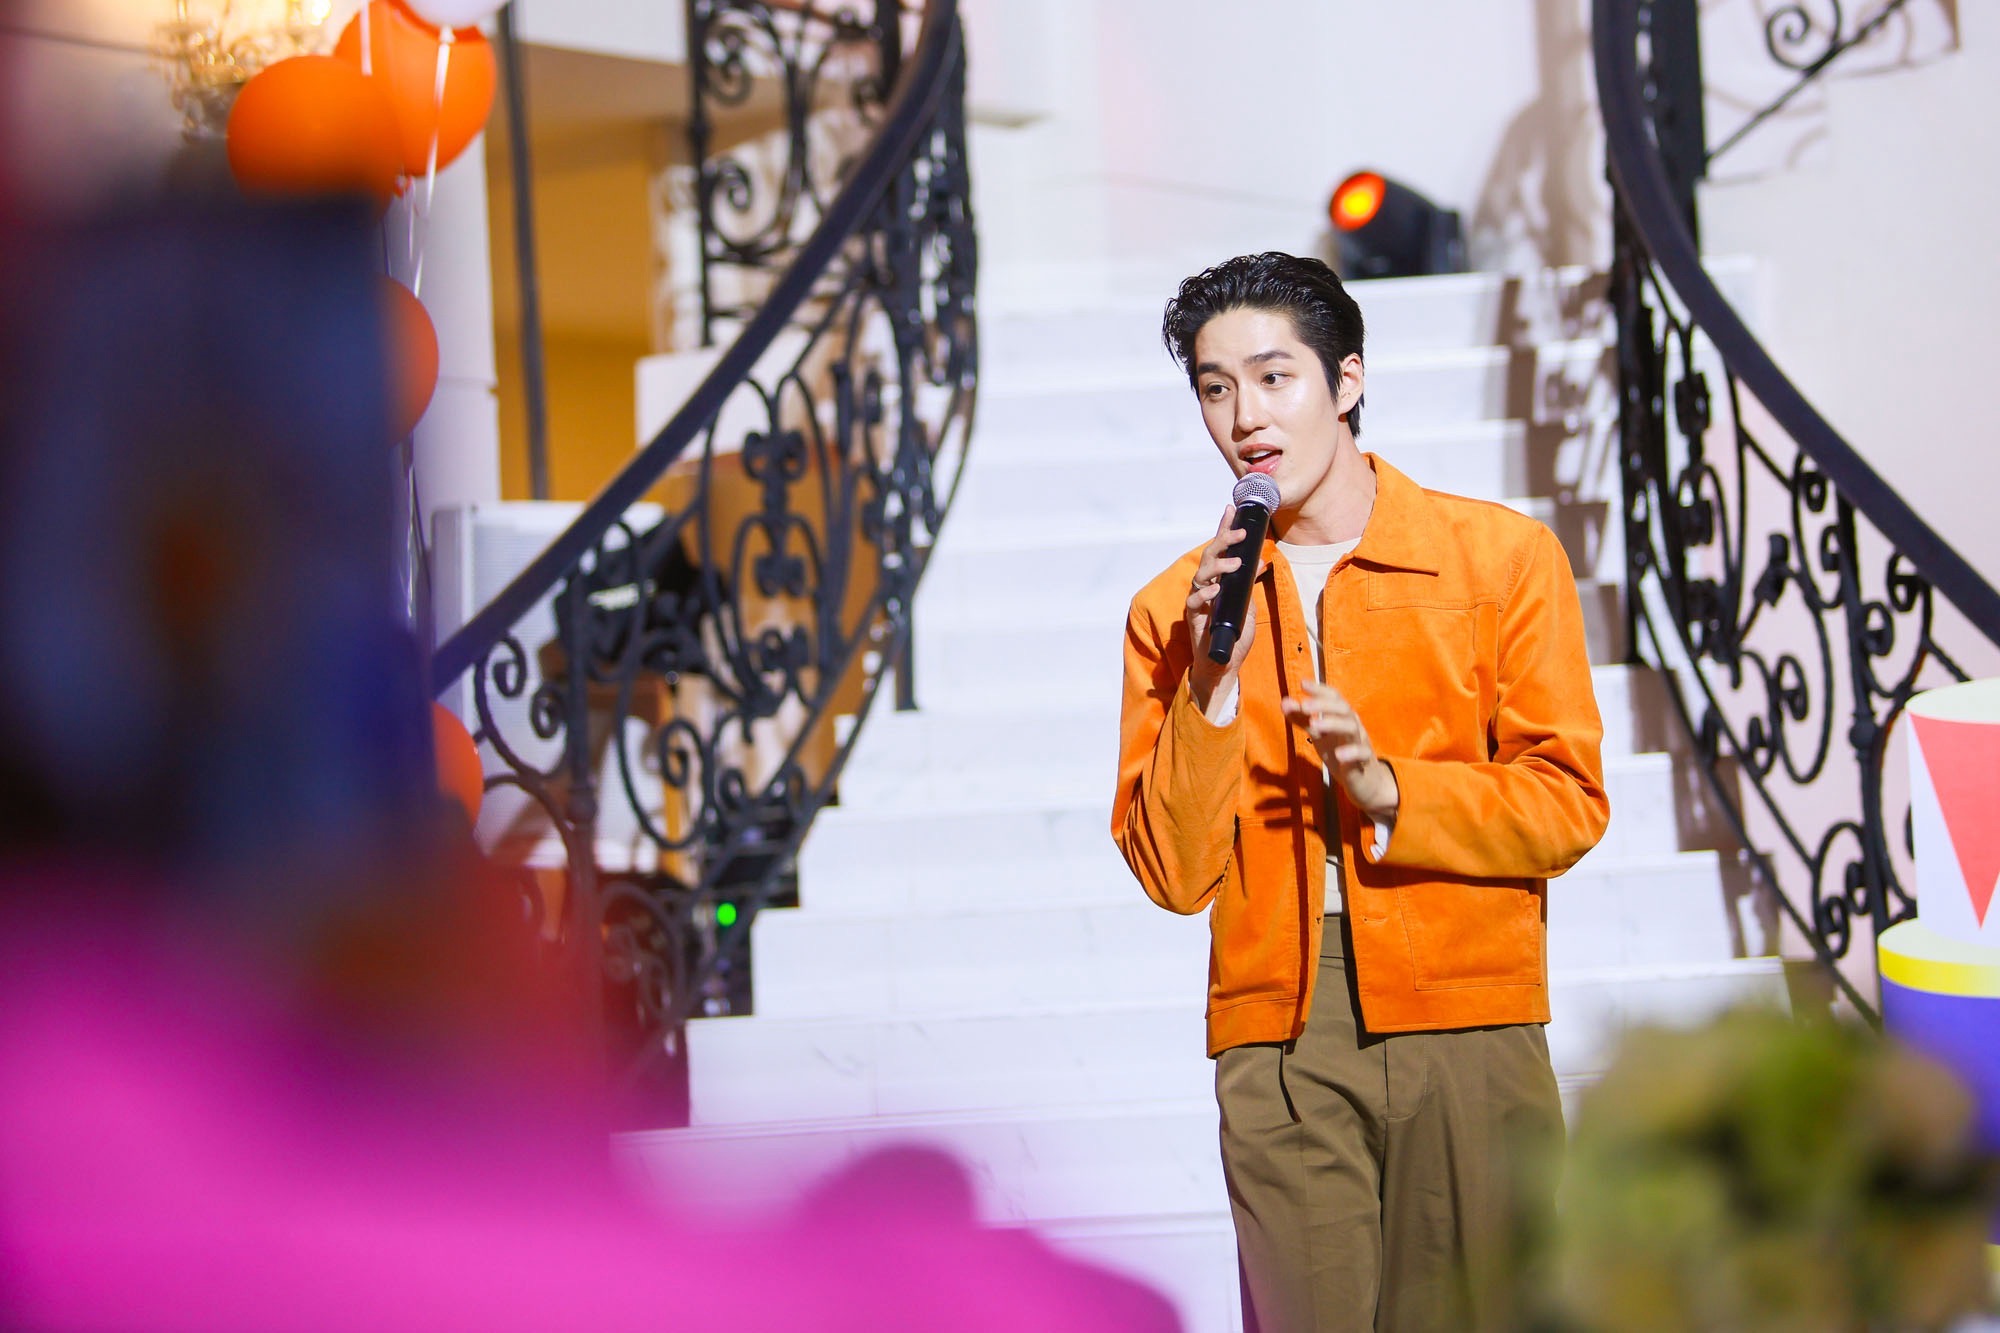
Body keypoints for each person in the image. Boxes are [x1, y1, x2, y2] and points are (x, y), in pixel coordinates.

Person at [1111, 251, 1610, 1332]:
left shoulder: (1497, 559)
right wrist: (1209, 684)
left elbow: (1566, 801)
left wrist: (1392, 792)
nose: (1245, 416)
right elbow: (1173, 873)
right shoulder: (1173, 610)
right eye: (1214, 387)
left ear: (1345, 381)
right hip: (1278, 1029)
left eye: (1273, 376)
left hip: (1468, 1009)